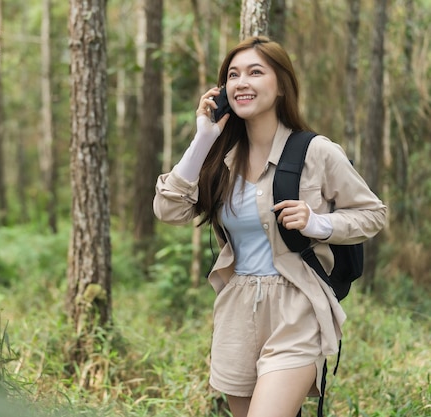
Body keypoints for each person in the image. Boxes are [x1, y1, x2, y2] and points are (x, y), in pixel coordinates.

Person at [153, 36, 387, 417]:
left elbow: (372, 213)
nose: (242, 82)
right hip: (236, 308)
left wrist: (318, 222)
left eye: (255, 72)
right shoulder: (218, 158)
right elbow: (168, 210)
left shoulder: (316, 151)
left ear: (280, 86)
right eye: (233, 74)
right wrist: (203, 138)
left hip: (297, 307)